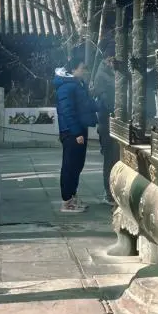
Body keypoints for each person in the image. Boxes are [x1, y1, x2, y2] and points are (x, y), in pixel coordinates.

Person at [54, 53, 98, 213]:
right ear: (73, 69)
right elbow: (67, 111)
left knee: (77, 166)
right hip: (72, 132)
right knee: (69, 166)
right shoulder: (66, 86)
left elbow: (85, 106)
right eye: (82, 68)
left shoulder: (78, 84)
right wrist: (76, 132)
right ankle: (66, 201)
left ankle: (72, 196)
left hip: (80, 129)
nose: (85, 71)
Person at [92, 54, 117, 205]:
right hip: (107, 124)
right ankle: (108, 193)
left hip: (108, 123)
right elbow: (107, 102)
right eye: (111, 59)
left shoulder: (108, 74)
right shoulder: (103, 77)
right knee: (110, 159)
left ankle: (111, 191)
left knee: (113, 159)